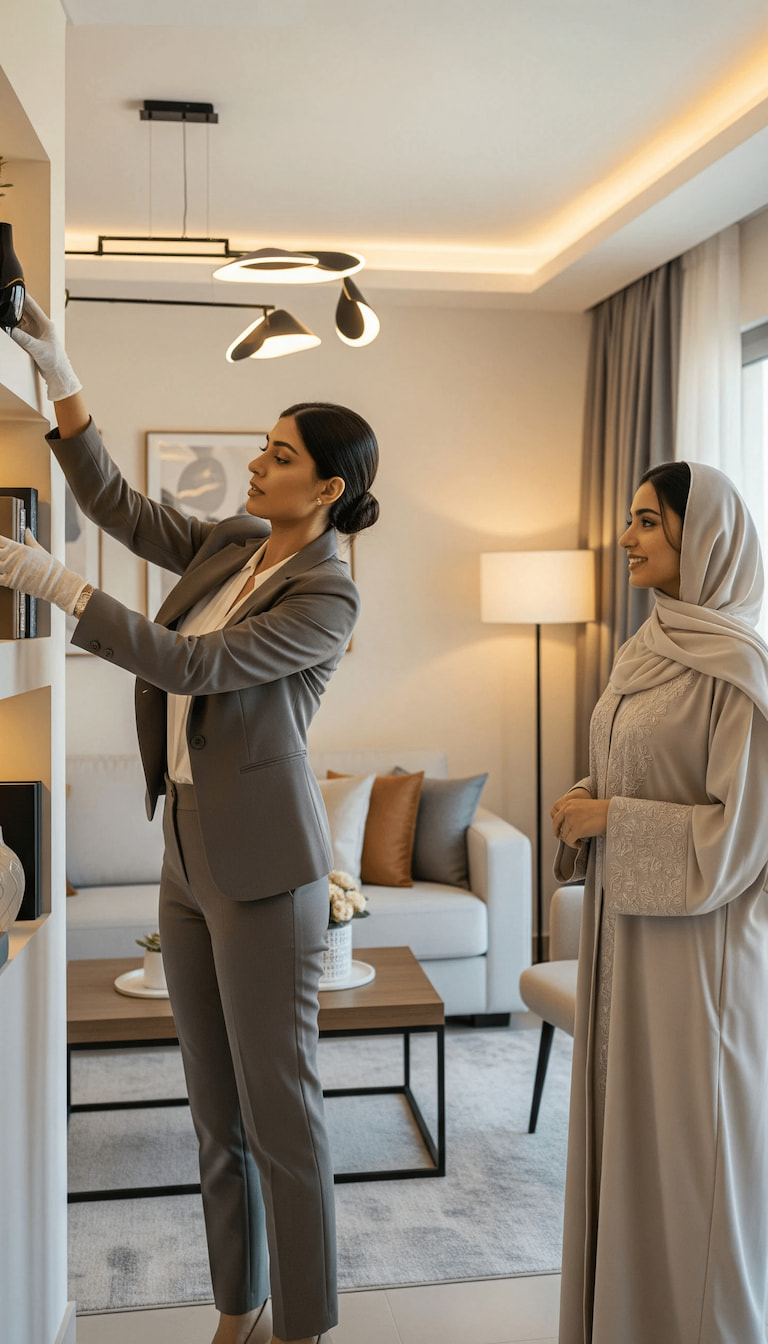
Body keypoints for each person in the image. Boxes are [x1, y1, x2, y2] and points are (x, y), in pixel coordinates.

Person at [0, 296, 380, 1344]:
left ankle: (305, 1325)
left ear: (330, 488)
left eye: (280, 455)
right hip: (184, 846)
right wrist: (59, 373)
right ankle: (237, 1307)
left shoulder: (325, 596)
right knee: (214, 1116)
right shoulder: (237, 542)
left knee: (281, 1113)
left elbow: (192, 664)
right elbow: (122, 506)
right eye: (263, 448)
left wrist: (58, 587)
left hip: (268, 865)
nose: (258, 465)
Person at [549, 460, 768, 1344]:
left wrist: (613, 817)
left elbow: (737, 840)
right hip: (626, 939)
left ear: (700, 537)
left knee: (692, 1156)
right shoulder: (646, 648)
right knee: (628, 1140)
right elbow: (638, 766)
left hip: (698, 959)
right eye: (630, 519)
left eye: (646, 521)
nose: (627, 537)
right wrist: (588, 798)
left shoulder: (739, 672)